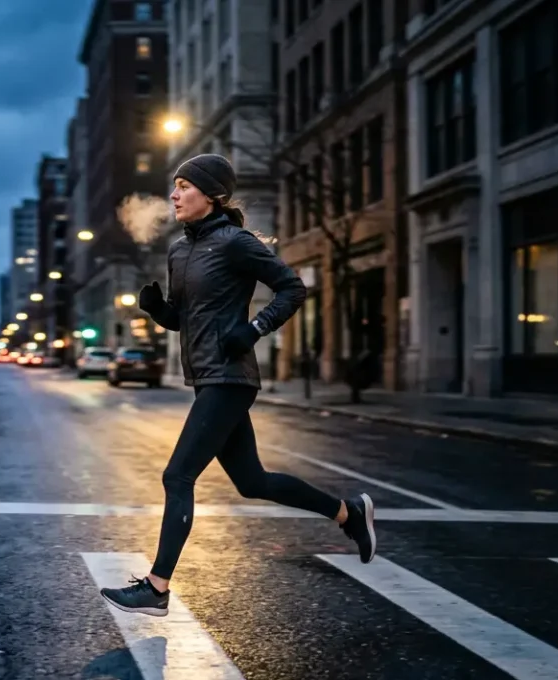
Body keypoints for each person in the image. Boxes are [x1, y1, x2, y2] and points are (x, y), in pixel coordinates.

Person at [99, 153, 376, 617]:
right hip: (207, 375)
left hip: (230, 377)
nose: (174, 195)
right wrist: (158, 311)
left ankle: (157, 586)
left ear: (212, 195)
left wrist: (255, 328)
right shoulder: (179, 250)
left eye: (184, 186)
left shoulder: (235, 243)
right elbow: (186, 319)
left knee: (177, 475)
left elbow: (292, 287)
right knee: (252, 482)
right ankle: (348, 513)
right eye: (175, 186)